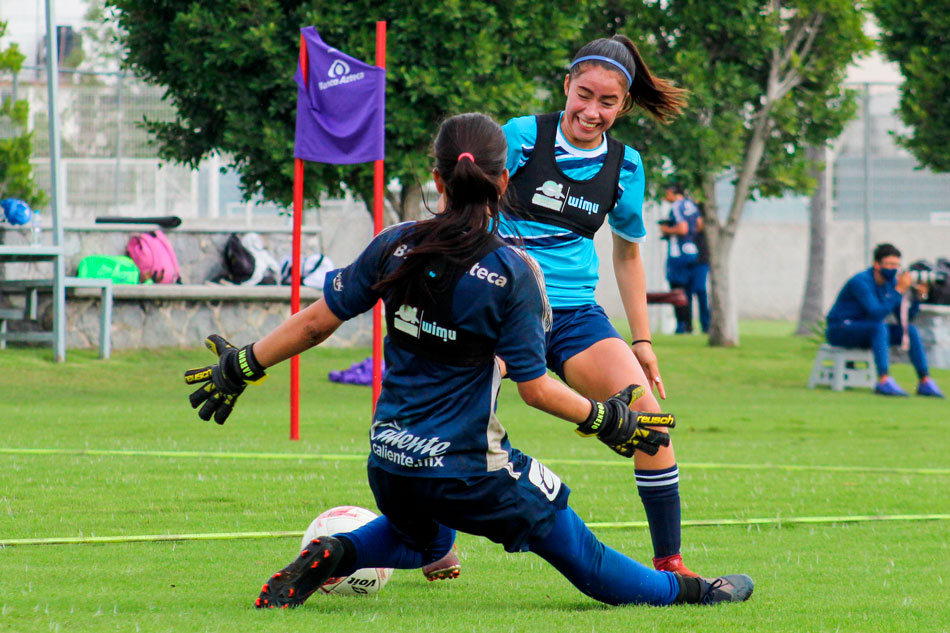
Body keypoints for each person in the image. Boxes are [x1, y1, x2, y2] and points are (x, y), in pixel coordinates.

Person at [184, 113, 754, 609]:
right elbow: (535, 388)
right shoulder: (514, 271)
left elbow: (314, 323)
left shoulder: (395, 243)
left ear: (437, 178)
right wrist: (604, 419)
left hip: (389, 460)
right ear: (505, 181)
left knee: (423, 540)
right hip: (472, 472)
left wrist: (241, 367)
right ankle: (696, 593)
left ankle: (338, 552)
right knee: (587, 558)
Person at [495, 35, 699, 576]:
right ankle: (433, 542)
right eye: (583, 94)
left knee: (650, 423)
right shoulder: (521, 136)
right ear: (567, 85)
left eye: (607, 102)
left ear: (624, 104)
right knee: (465, 421)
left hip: (572, 315)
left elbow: (628, 257)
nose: (591, 111)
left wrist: (642, 340)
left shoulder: (626, 166)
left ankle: (670, 564)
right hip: (499, 302)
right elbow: (467, 208)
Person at [826, 243, 944, 397]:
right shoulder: (860, 281)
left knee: (910, 330)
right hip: (840, 329)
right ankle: (883, 379)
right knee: (879, 327)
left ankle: (924, 381)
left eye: (896, 265)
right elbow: (876, 313)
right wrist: (899, 290)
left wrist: (919, 297)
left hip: (867, 330)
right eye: (889, 264)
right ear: (877, 264)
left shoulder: (892, 284)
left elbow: (906, 317)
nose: (893, 268)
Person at [659, 184, 709, 334]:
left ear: (671, 191)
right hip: (693, 251)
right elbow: (699, 226)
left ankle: (683, 325)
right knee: (692, 291)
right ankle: (697, 325)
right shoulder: (692, 205)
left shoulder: (677, 206)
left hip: (679, 254)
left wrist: (666, 229)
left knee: (678, 290)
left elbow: (683, 228)